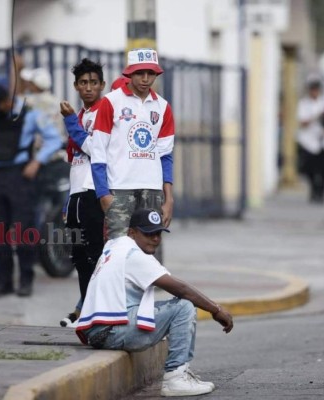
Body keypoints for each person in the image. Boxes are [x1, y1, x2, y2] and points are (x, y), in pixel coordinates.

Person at [76, 208, 234, 397]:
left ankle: (179, 373)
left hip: (99, 331)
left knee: (173, 307)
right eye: (148, 233)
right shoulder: (134, 255)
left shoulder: (116, 246)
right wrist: (215, 310)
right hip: (112, 331)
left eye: (158, 233)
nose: (155, 238)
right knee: (183, 307)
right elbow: (180, 289)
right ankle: (175, 378)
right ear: (132, 232)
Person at [0, 77, 63, 299]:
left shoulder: (31, 114)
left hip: (21, 176)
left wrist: (38, 161)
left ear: (7, 100)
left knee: (24, 231)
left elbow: (54, 139)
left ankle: (26, 280)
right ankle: (4, 281)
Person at [90, 48, 175, 240]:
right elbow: (98, 152)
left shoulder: (163, 107)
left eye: (150, 73)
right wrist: (103, 193)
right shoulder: (110, 102)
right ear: (129, 73)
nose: (145, 78)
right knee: (117, 247)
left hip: (152, 190)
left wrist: (168, 197)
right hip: (119, 188)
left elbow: (166, 155)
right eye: (139, 73)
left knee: (148, 247)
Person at [58, 58, 107, 327]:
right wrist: (68, 201)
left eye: (93, 82)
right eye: (83, 83)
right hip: (77, 193)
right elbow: (74, 161)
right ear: (76, 86)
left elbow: (92, 149)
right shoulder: (78, 115)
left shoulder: (104, 112)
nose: (88, 87)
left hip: (94, 192)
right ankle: (86, 309)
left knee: (97, 254)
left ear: (102, 85)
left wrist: (69, 122)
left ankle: (97, 313)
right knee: (79, 256)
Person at [297, 77, 324, 204]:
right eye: (312, 89)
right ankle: (314, 189)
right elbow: (302, 122)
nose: (314, 92)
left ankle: (320, 195)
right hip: (308, 142)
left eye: (317, 89)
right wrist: (316, 117)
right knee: (307, 169)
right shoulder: (304, 104)